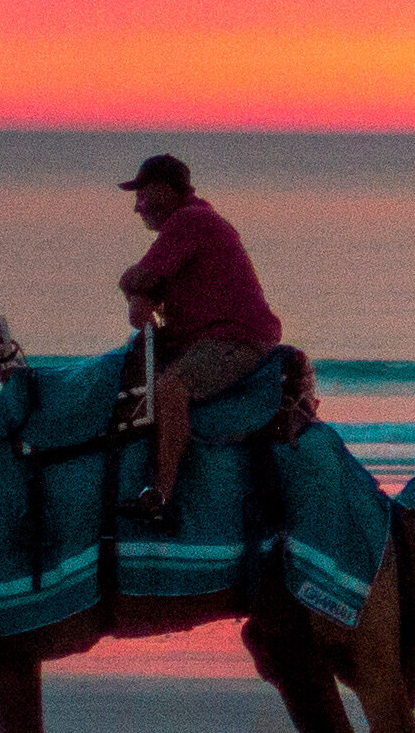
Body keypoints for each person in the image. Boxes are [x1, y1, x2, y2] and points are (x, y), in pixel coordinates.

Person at [111, 152, 285, 527]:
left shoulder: (190, 221)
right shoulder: (190, 229)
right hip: (212, 337)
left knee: (172, 388)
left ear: (165, 190)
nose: (137, 208)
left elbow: (138, 279)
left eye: (142, 195)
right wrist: (143, 296)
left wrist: (134, 289)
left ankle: (161, 493)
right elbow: (152, 285)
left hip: (236, 338)